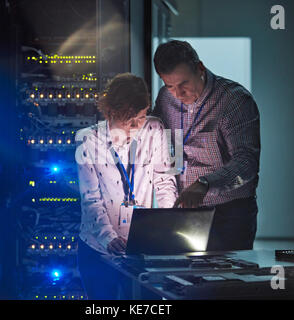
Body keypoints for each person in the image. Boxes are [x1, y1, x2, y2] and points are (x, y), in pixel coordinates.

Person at [75, 73, 177, 299]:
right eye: (129, 120)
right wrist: (108, 238)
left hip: (142, 246)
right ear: (111, 112)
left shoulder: (155, 129)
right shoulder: (88, 140)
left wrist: (168, 224)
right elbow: (91, 199)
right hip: (98, 248)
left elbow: (164, 180)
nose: (136, 126)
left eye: (141, 118)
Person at [152, 40, 261, 251]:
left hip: (229, 213)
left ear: (200, 68)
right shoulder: (166, 98)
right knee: (184, 279)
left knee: (227, 279)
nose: (178, 94)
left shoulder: (234, 101)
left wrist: (205, 183)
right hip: (185, 211)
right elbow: (164, 143)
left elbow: (247, 162)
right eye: (170, 86)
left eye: (184, 84)